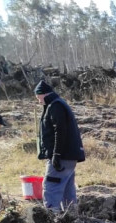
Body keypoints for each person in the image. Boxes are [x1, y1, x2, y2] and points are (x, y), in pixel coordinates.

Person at [34, 79, 85, 211]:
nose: (38, 100)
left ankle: (52, 218)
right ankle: (71, 218)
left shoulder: (55, 106)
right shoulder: (59, 104)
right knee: (68, 189)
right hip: (69, 156)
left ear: (42, 94)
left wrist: (56, 154)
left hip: (62, 156)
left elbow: (60, 131)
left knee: (51, 186)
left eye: (37, 97)